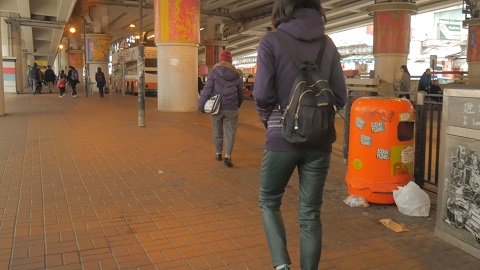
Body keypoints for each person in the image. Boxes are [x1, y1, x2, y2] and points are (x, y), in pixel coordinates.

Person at [253, 1, 346, 269]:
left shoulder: (271, 41)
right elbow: (340, 96)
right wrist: (315, 118)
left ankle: (282, 265)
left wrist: (269, 121)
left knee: (269, 202)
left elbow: (261, 94)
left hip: (281, 140)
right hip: (320, 142)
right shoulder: (328, 44)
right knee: (311, 214)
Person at [197, 50, 244, 167]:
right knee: (230, 132)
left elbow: (207, 90)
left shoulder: (214, 72)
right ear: (230, 61)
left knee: (216, 130)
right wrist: (236, 105)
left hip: (216, 107)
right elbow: (240, 94)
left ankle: (218, 153)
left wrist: (201, 106)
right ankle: (228, 155)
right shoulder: (236, 75)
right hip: (231, 108)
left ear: (220, 60)